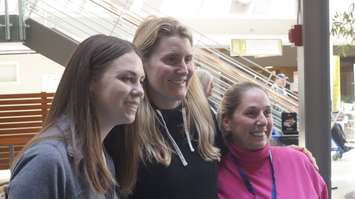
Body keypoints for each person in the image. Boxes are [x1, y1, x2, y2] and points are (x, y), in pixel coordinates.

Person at [6, 34, 145, 199]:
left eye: (141, 80)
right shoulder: (48, 160)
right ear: (90, 81)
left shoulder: (100, 154)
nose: (140, 91)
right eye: (127, 78)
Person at [105, 16, 223, 199]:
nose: (184, 69)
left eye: (188, 59)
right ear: (142, 63)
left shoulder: (207, 114)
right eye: (171, 59)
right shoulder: (121, 125)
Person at [217, 82, 328, 199]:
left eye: (267, 112)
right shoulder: (214, 175)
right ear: (227, 122)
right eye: (251, 113)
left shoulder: (299, 162)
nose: (263, 121)